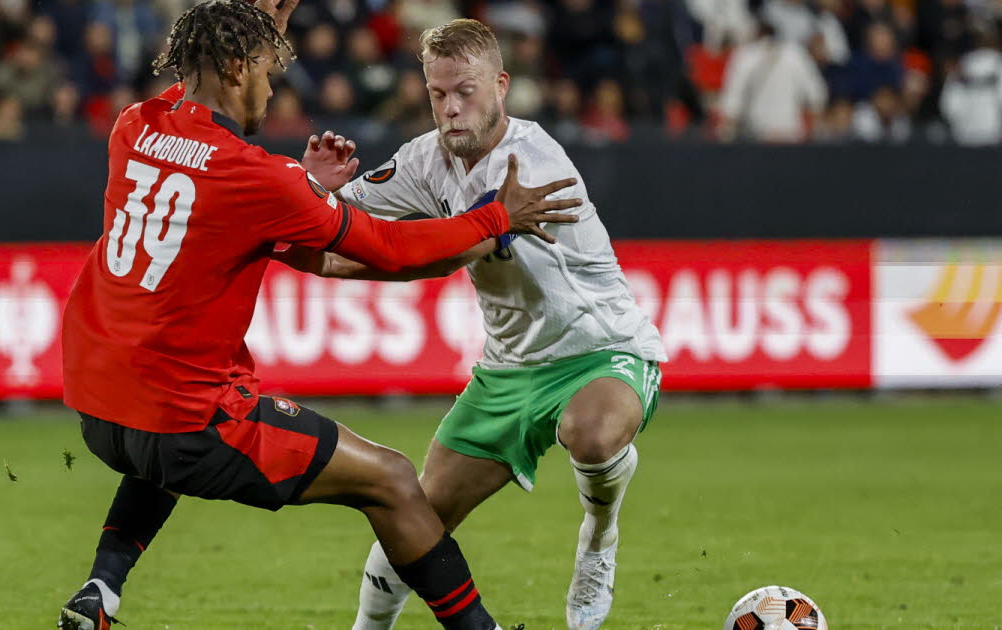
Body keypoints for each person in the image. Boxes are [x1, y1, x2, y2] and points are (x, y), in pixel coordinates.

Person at [55, 2, 581, 630]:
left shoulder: (134, 125)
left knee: (158, 442)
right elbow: (386, 248)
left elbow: (209, 195)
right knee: (389, 478)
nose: (272, 88)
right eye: (266, 70)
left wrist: (301, 179)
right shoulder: (256, 177)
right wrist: (495, 217)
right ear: (234, 66)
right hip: (184, 424)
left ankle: (100, 590)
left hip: (96, 407)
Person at [274, 18, 665, 630]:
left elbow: (439, 254)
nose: (451, 109)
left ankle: (599, 534)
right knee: (413, 520)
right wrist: (312, 188)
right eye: (438, 95)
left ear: (501, 85)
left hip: (600, 348)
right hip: (508, 369)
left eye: (466, 91)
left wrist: (337, 264)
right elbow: (338, 220)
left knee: (589, 435)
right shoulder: (426, 159)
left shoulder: (529, 166)